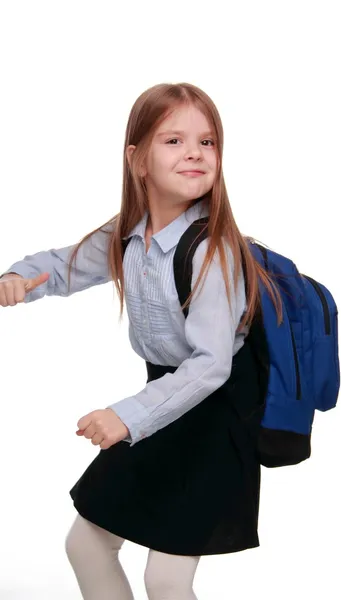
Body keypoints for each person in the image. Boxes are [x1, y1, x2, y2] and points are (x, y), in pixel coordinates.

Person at [0, 82, 282, 600]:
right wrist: (17, 277)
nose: (195, 152)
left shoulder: (212, 251)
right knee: (87, 544)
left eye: (208, 141)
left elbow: (211, 366)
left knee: (167, 578)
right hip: (164, 401)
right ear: (138, 160)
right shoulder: (130, 231)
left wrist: (126, 416)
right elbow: (65, 266)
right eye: (173, 140)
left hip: (215, 414)